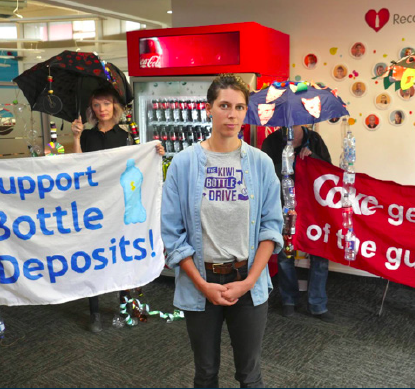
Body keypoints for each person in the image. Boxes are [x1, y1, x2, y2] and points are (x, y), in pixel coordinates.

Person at [161, 74, 283, 387]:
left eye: (239, 107)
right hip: (200, 280)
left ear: (246, 112)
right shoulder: (184, 164)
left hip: (248, 280)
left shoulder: (260, 163)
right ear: (209, 109)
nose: (232, 114)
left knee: (250, 374)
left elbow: (271, 228)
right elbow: (173, 235)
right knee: (205, 372)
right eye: (224, 105)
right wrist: (202, 284)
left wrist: (250, 281)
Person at [71, 87, 164, 332]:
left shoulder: (125, 137)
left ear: (115, 107)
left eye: (106, 104)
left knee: (120, 254)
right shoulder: (88, 136)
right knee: (94, 258)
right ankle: (95, 312)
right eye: (97, 105)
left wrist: (155, 154)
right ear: (91, 109)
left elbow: (137, 166)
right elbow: (77, 167)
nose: (102, 109)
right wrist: (77, 138)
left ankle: (125, 304)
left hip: (120, 206)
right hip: (94, 206)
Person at [261, 125, 334, 321]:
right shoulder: (272, 142)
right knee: (286, 255)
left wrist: (313, 159)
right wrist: (285, 164)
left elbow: (330, 171)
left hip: (313, 208)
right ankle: (289, 300)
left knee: (319, 255)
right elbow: (264, 175)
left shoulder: (315, 139)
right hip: (284, 206)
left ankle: (317, 304)